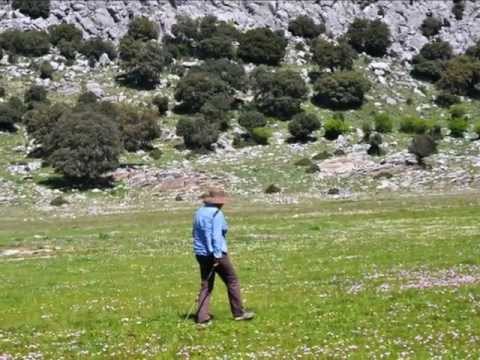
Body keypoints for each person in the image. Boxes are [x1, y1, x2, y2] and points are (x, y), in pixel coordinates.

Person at [192, 188, 255, 325]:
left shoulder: (199, 212)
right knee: (232, 280)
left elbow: (194, 233)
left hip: (201, 253)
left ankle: (202, 318)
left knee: (206, 285)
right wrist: (217, 256)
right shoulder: (216, 214)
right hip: (216, 254)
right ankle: (238, 313)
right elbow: (215, 236)